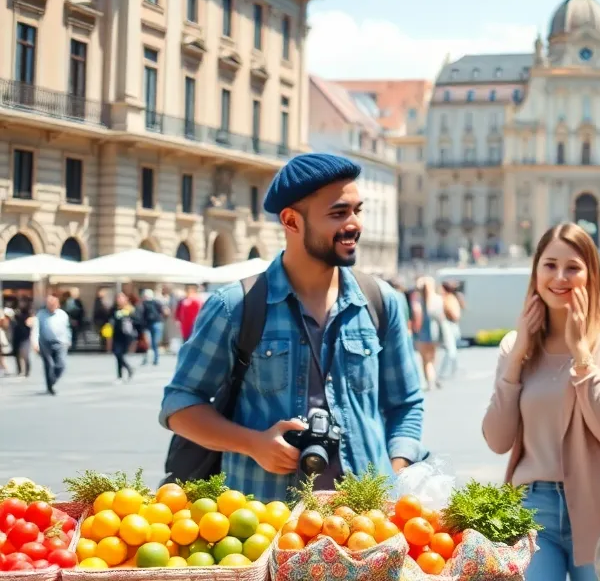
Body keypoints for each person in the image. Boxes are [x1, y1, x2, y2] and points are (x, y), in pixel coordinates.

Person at [160, 152, 427, 501]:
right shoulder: (235, 306)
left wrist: (394, 472)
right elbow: (179, 405)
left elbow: (406, 403)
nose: (354, 224)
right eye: (338, 213)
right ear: (291, 221)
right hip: (266, 523)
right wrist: (253, 443)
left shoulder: (380, 301)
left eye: (356, 211)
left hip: (366, 525)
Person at [482, 223, 600, 581]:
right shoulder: (515, 345)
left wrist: (583, 356)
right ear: (535, 271)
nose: (560, 277)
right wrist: (517, 358)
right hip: (532, 505)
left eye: (573, 267)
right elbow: (497, 440)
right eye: (550, 265)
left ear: (592, 274)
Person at [35, 294, 72, 395]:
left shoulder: (63, 315)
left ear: (58, 304)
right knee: (49, 365)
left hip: (61, 342)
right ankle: (50, 387)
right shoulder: (41, 314)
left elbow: (67, 328)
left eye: (53, 303)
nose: (51, 305)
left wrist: (68, 339)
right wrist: (35, 342)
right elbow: (36, 329)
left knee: (61, 365)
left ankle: (52, 381)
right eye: (49, 303)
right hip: (45, 342)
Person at [414, 277, 442, 391]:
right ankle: (433, 377)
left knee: (425, 360)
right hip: (434, 332)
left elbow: (416, 317)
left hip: (422, 333)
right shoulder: (437, 299)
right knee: (432, 358)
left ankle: (429, 379)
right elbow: (441, 317)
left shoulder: (418, 301)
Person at [436, 280, 463, 384]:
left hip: (449, 324)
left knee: (450, 349)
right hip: (454, 325)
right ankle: (452, 369)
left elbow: (452, 313)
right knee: (452, 349)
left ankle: (445, 371)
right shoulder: (453, 297)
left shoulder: (447, 298)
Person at [111, 292, 137, 383]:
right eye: (118, 298)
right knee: (117, 355)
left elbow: (136, 321)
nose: (119, 300)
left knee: (119, 354)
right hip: (116, 334)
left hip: (126, 336)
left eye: (121, 298)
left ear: (126, 299)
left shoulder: (130, 309)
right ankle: (120, 375)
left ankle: (128, 369)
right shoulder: (114, 309)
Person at [137, 288, 165, 366]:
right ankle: (154, 359)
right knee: (154, 343)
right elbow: (162, 312)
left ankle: (148, 359)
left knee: (149, 343)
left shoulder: (143, 304)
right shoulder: (156, 302)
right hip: (156, 323)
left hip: (149, 324)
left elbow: (140, 314)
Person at [10, 302, 32, 377]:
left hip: (23, 337)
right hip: (21, 337)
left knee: (22, 355)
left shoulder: (23, 316)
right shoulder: (18, 316)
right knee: (21, 355)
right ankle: (23, 370)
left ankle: (24, 371)